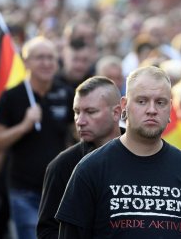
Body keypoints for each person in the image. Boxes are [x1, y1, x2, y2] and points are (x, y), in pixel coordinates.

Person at [56, 66, 181, 238]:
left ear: (170, 110)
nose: (151, 110)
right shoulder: (90, 169)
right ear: (124, 106)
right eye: (142, 101)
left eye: (160, 102)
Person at [0, 36, 74, 239]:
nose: (47, 63)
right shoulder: (12, 96)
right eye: (40, 57)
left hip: (59, 190)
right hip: (24, 191)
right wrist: (23, 126)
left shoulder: (66, 94)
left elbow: (75, 137)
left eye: (51, 57)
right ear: (26, 62)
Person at [37, 76, 123, 239]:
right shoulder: (62, 165)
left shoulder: (140, 155)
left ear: (116, 112)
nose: (80, 121)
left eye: (91, 112)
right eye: (76, 112)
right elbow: (47, 231)